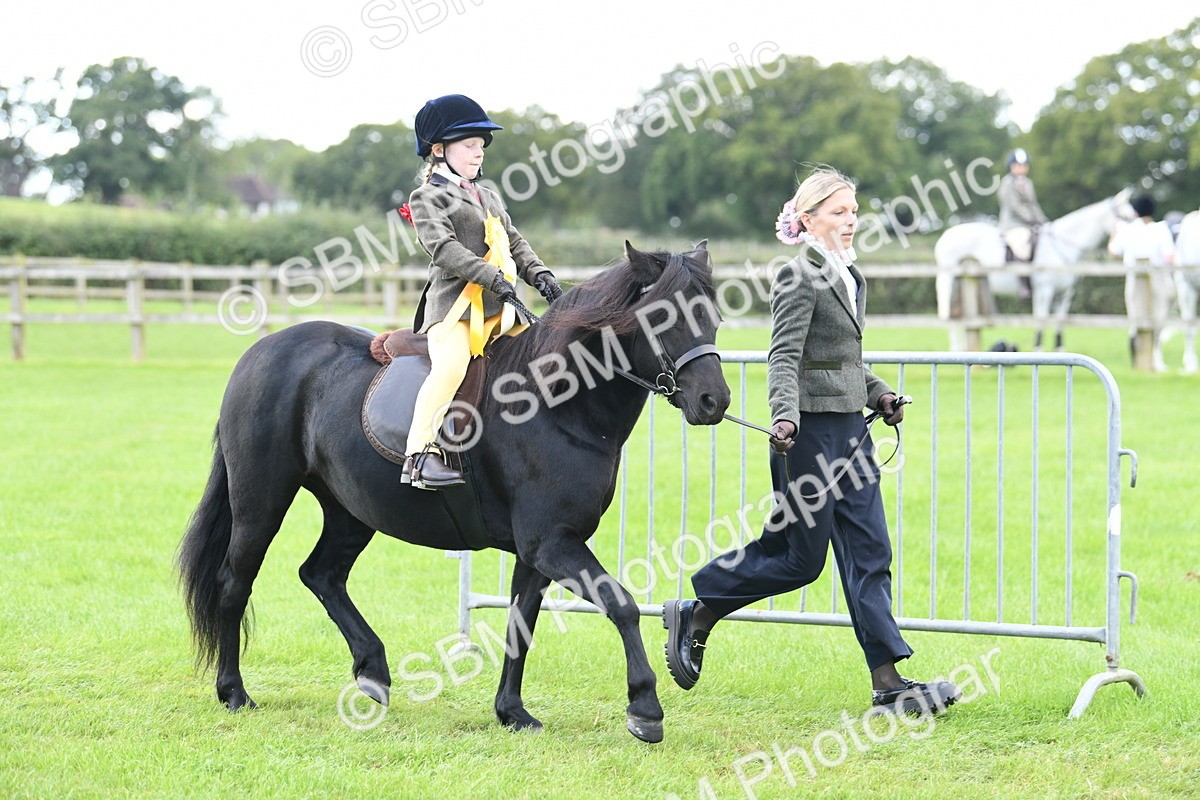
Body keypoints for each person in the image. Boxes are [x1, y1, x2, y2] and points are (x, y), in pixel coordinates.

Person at [663, 166, 960, 715]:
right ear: (808, 219)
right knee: (800, 561)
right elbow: (785, 355)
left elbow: (842, 361)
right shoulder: (798, 276)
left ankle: (888, 684)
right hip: (807, 435)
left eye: (853, 210)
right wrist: (784, 418)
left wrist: (879, 395)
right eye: (839, 212)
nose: (851, 221)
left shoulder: (849, 274)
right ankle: (699, 608)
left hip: (852, 433)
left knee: (871, 551)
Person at [403, 94, 562, 489]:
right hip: (453, 311)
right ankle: (419, 455)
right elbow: (443, 249)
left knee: (551, 353)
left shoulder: (487, 195)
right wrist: (490, 275)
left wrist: (541, 276)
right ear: (439, 151)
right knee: (452, 365)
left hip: (500, 311)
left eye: (481, 147)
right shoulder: (426, 198)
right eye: (469, 146)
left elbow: (515, 241)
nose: (478, 154)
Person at [1109, 194, 1175, 370]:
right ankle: (1155, 357)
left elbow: (1113, 251)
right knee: (1157, 318)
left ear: (1136, 211)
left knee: (1137, 319)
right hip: (1158, 278)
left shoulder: (1128, 229)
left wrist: (1114, 231)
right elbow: (1169, 257)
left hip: (1134, 278)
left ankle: (1139, 360)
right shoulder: (1161, 229)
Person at [998, 147, 1049, 263]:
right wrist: (1031, 219)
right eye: (1018, 165)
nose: (1022, 168)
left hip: (1029, 224)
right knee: (1023, 247)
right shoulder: (1007, 183)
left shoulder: (1028, 183)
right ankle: (1023, 276)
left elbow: (1034, 204)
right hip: (1013, 224)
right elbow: (1014, 207)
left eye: (1024, 165)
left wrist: (1042, 220)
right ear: (1011, 166)